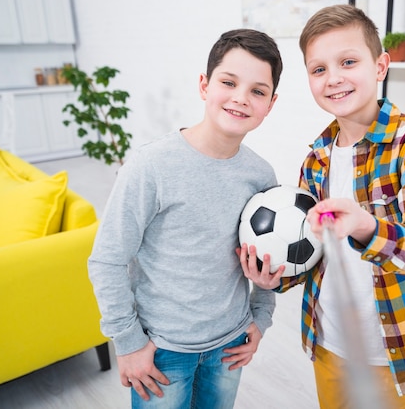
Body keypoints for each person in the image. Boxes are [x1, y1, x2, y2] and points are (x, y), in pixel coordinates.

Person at [240, 5, 405, 408]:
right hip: (328, 339)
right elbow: (308, 250)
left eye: (348, 62)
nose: (333, 78)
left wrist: (367, 228)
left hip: (393, 347)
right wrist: (275, 278)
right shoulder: (316, 157)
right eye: (318, 69)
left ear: (380, 65)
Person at [88, 28, 283, 409]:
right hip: (161, 351)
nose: (241, 98)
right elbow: (106, 259)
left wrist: (260, 317)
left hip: (231, 344)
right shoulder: (152, 166)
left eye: (258, 91)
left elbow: (271, 259)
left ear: (271, 103)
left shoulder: (261, 175)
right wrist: (129, 344)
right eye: (229, 82)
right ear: (204, 85)